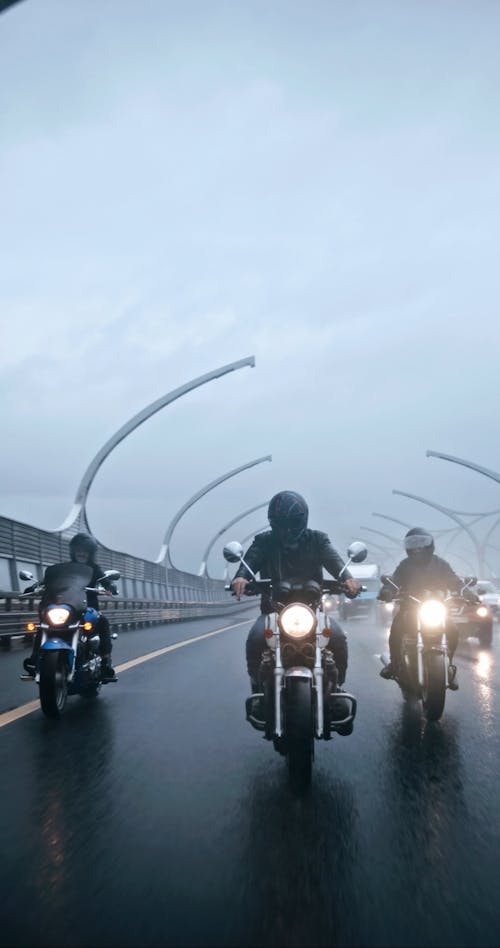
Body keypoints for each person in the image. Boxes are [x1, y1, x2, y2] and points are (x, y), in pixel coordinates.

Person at [231, 490, 360, 718]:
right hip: (274, 610)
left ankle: (336, 688)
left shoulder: (318, 539)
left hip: (312, 611)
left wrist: (347, 578)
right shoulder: (264, 541)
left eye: (293, 522)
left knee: (337, 637)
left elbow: (334, 560)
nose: (288, 528)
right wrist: (241, 576)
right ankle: (259, 688)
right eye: (282, 523)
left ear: (303, 519)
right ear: (273, 522)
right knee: (256, 637)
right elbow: (251, 560)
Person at [378, 526, 478, 688]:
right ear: (407, 547)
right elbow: (394, 580)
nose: (417, 548)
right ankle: (394, 664)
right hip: (411, 607)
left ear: (429, 544)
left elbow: (455, 581)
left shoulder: (440, 564)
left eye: (421, 543)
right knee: (396, 629)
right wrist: (387, 590)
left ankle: (449, 666)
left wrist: (467, 593)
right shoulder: (405, 565)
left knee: (452, 630)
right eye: (413, 544)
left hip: (436, 607)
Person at [22, 532, 118, 682]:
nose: (81, 553)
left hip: (87, 607)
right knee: (43, 625)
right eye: (78, 549)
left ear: (90, 553)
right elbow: (48, 580)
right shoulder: (65, 569)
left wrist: (110, 586)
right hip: (67, 606)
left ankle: (105, 661)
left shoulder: (95, 569)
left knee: (103, 622)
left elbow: (105, 581)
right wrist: (34, 586)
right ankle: (35, 659)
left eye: (85, 550)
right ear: (73, 551)